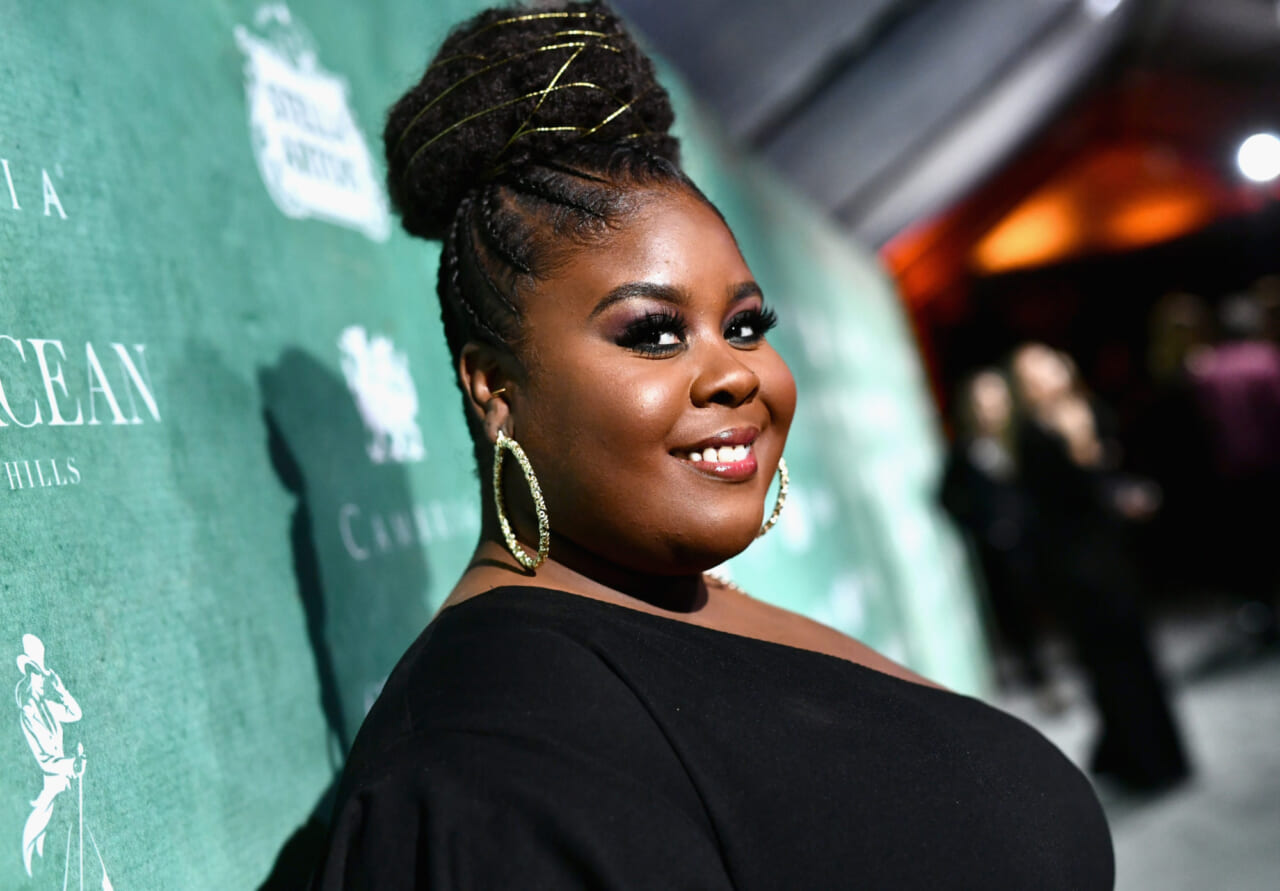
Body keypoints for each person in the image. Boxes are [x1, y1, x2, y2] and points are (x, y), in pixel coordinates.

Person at [311, 5, 1114, 887]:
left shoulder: (678, 607)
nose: (734, 372)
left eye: (744, 325)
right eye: (654, 333)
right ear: (494, 386)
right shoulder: (484, 771)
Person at [1011, 343, 1190, 792]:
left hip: (1112, 556)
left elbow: (1110, 476)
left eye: (1047, 365)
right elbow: (1058, 500)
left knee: (1137, 655)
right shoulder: (1032, 435)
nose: (1044, 377)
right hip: (1075, 566)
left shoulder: (1092, 411)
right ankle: (1138, 762)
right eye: (1031, 373)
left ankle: (1161, 758)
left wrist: (1124, 494)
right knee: (1107, 665)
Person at [939, 370, 1054, 701]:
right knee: (1018, 614)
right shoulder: (967, 450)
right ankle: (1037, 677)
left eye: (996, 401)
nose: (991, 409)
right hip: (1003, 553)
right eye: (983, 403)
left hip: (1039, 541)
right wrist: (986, 527)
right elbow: (947, 498)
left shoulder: (1022, 439)